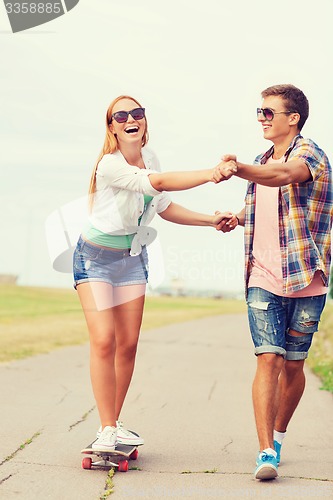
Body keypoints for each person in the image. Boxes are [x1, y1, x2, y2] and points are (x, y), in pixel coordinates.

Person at [73, 94, 237, 452]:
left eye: (137, 113)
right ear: (112, 127)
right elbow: (159, 184)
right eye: (121, 116)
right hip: (95, 259)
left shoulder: (151, 159)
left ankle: (112, 427)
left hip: (132, 260)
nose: (130, 118)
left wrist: (210, 221)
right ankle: (105, 429)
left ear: (144, 121)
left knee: (128, 345)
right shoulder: (109, 166)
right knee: (104, 339)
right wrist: (211, 175)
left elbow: (163, 205)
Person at [215, 84, 333, 480]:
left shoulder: (309, 153)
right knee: (269, 357)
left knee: (295, 366)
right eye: (259, 111)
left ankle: (279, 436)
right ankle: (265, 452)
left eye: (269, 111)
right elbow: (262, 205)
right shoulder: (261, 159)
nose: (262, 118)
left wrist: (239, 169)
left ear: (293, 117)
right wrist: (238, 217)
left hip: (306, 277)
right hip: (262, 276)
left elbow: (284, 176)